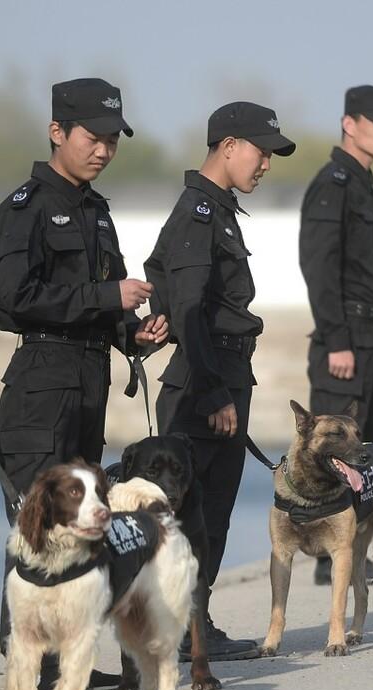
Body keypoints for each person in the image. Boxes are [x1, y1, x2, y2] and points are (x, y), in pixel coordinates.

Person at [0, 78, 167, 690]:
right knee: (34, 527)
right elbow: (11, 301)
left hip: (90, 376)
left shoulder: (97, 211)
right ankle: (29, 667)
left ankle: (73, 661)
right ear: (58, 132)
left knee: (85, 521)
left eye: (112, 140)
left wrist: (132, 331)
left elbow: (102, 302)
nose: (103, 151)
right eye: (93, 137)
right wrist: (103, 297)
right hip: (40, 381)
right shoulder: (22, 210)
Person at [144, 102, 295, 659]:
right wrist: (211, 391)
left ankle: (193, 623)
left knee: (215, 511)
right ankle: (183, 627)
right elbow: (187, 308)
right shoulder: (199, 213)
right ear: (228, 146)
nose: (265, 164)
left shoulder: (219, 211)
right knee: (191, 512)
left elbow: (163, 278)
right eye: (261, 152)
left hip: (225, 371)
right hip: (204, 381)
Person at [300, 84, 373, 584]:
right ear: (349, 124)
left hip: (370, 334)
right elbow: (320, 267)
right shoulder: (334, 182)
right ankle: (327, 556)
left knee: (364, 447)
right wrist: (336, 336)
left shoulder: (361, 181)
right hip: (345, 340)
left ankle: (350, 549)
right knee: (334, 451)